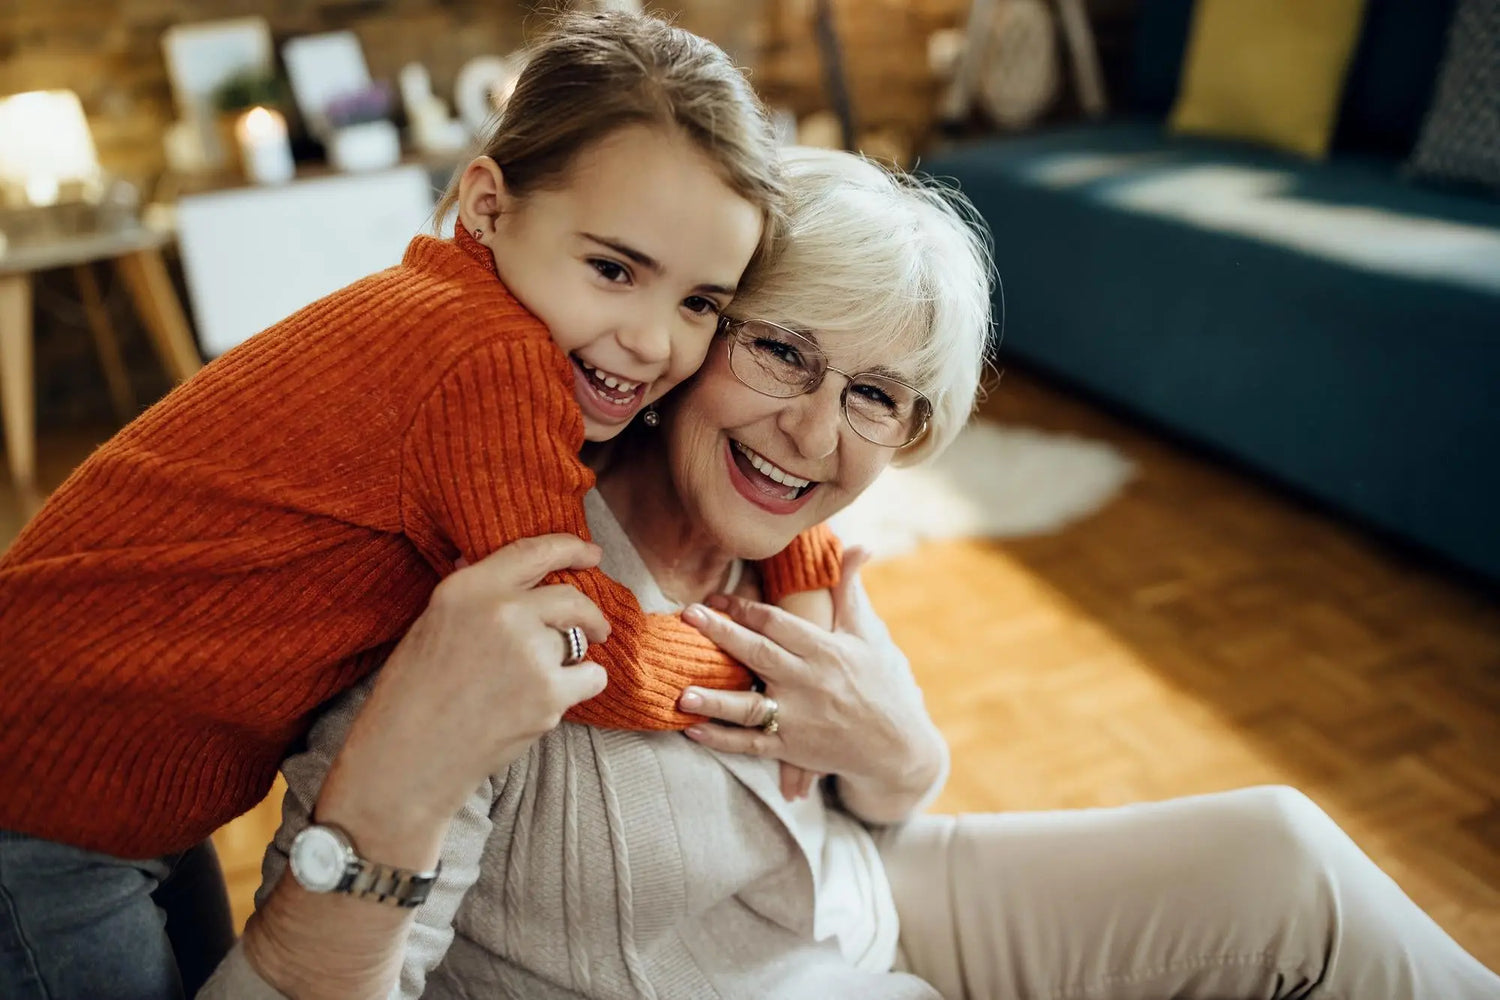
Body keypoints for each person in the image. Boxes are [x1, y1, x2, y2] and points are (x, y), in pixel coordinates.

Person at [207, 147, 1500, 999]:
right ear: (696, 329)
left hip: (866, 914)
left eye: (876, 395)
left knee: (1283, 856)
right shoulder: (504, 575)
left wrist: (898, 744)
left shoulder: (798, 563)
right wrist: (383, 797)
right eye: (782, 352)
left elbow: (884, 807)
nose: (816, 436)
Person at [0, 13, 842, 1000]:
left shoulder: (459, 310)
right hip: (46, 806)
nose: (655, 341)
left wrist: (801, 544)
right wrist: (765, 663)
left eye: (702, 303)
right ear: (486, 207)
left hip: (111, 788)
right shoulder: (487, 358)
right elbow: (582, 641)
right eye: (614, 270)